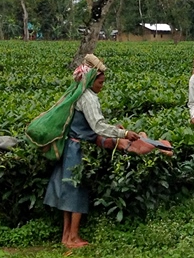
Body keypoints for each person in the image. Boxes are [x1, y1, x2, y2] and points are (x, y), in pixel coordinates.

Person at [43, 54, 141, 249]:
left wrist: (115, 128)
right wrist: (124, 132)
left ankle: (66, 236)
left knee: (67, 191)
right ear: (91, 80)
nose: (101, 86)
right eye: (100, 82)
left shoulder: (78, 92)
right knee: (76, 193)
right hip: (77, 149)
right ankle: (73, 238)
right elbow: (97, 126)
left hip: (70, 146)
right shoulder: (88, 98)